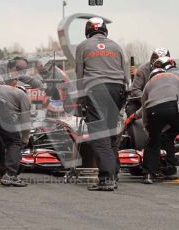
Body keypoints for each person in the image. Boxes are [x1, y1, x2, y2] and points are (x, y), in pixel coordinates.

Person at [75, 17, 128, 191]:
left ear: (88, 30)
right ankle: (114, 174)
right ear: (105, 30)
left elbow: (80, 75)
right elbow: (125, 74)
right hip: (117, 90)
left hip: (96, 90)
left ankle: (106, 178)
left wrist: (81, 101)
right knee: (111, 134)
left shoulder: (83, 46)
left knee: (100, 136)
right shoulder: (116, 46)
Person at [126, 48, 170, 116]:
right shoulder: (142, 69)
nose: (156, 64)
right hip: (139, 101)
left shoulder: (170, 71)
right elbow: (135, 90)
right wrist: (148, 99)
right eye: (154, 59)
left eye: (160, 62)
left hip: (161, 101)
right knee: (131, 113)